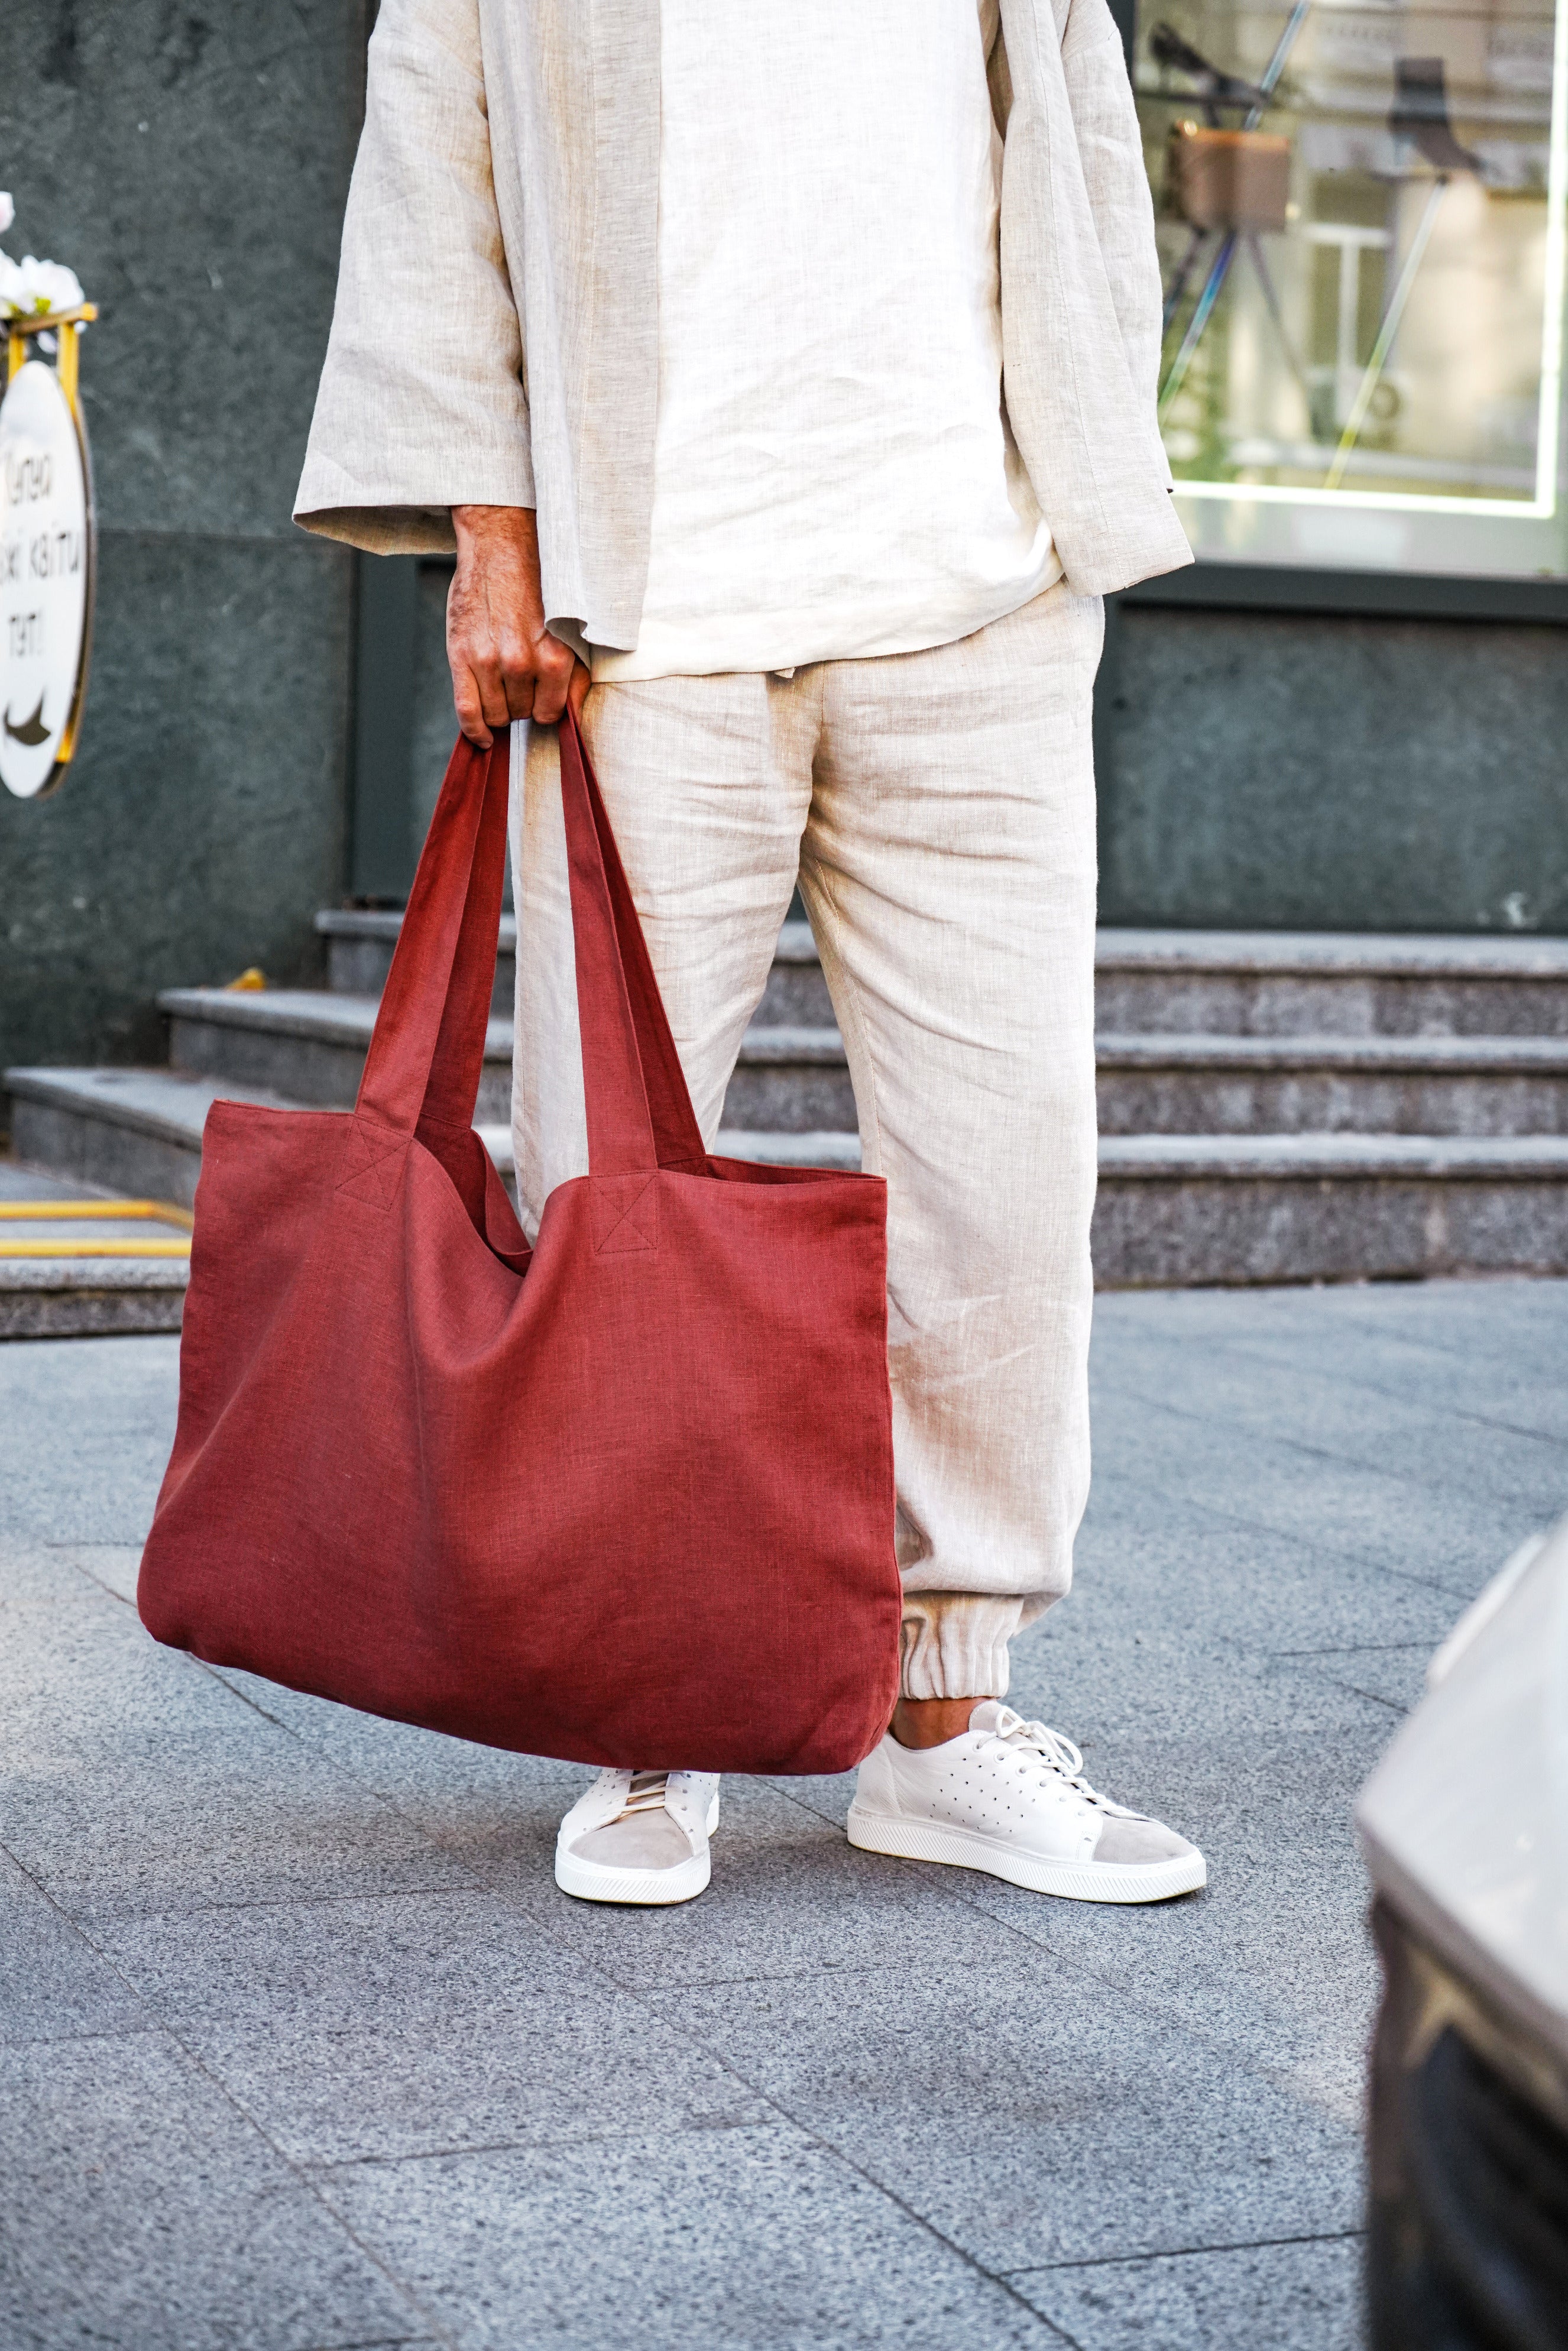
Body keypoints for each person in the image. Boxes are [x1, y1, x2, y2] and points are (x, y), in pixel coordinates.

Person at [297, 0, 1206, 1910]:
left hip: (976, 593)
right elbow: (433, 164)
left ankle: (942, 1722)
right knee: (611, 1185)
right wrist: (491, 533)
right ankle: (641, 1712)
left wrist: (1088, 470)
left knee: (1001, 1178)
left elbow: (1082, 140)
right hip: (652, 611)